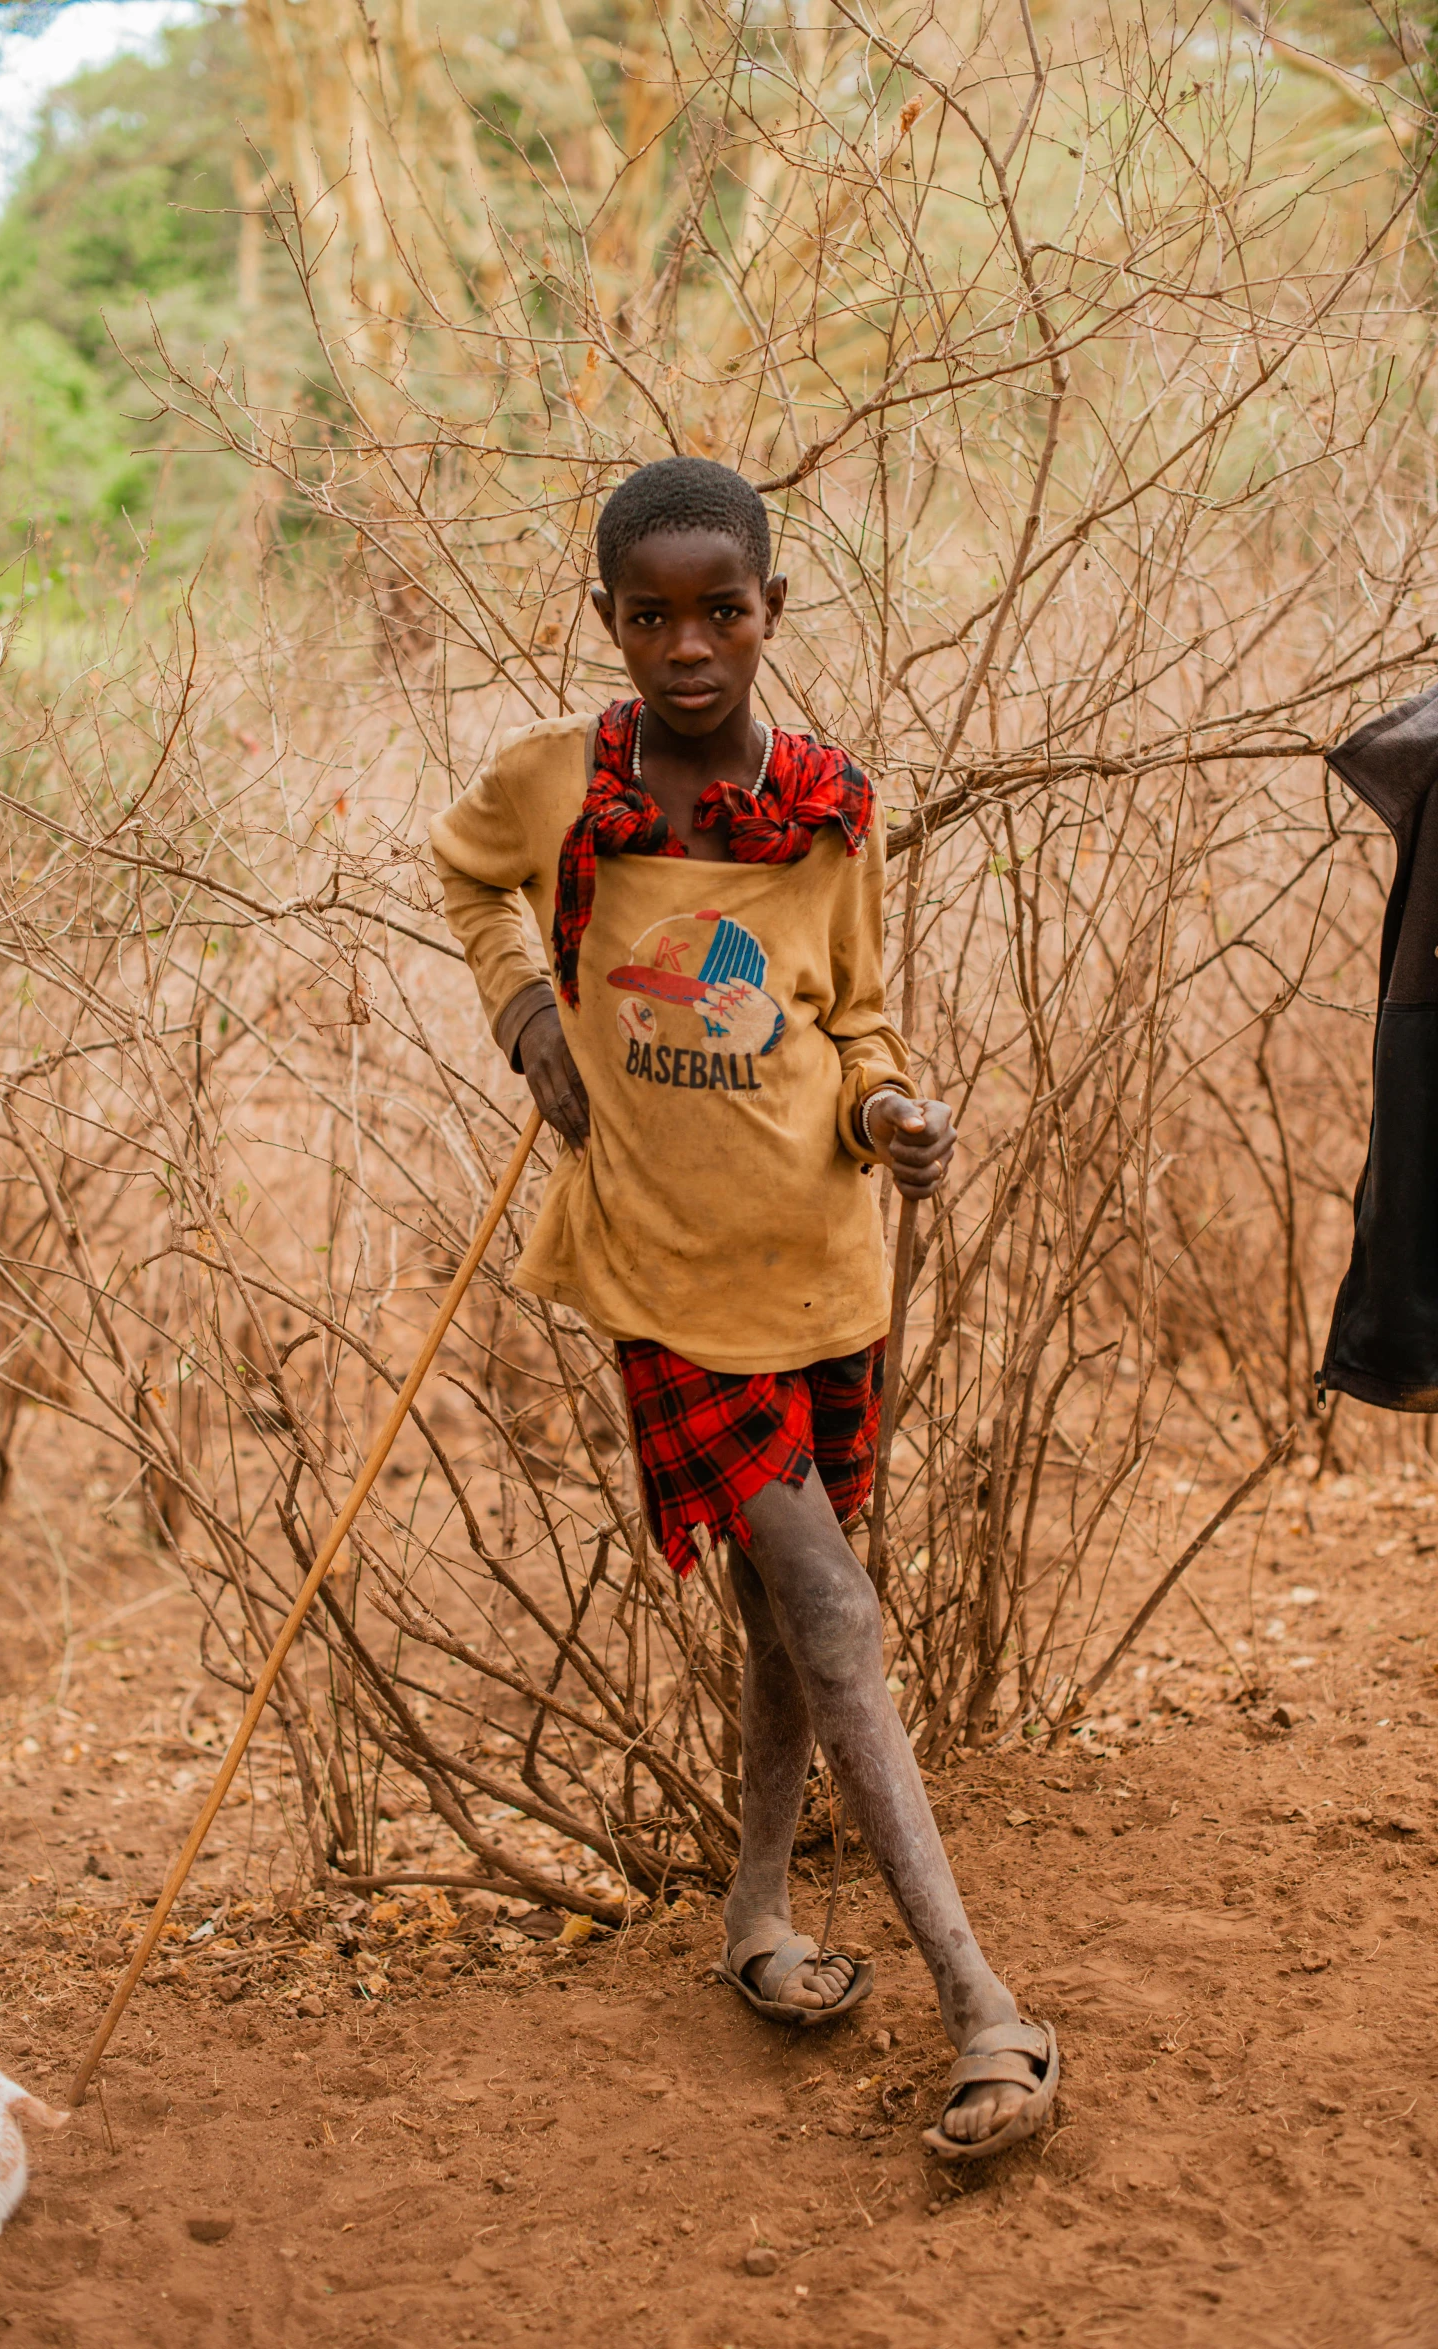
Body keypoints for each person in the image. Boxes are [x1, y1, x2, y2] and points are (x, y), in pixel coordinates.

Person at [430, 455, 1057, 2160]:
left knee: (790, 1619)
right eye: (653, 615)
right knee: (837, 1613)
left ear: (772, 611)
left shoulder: (833, 808)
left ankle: (757, 1922)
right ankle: (986, 2010)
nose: (687, 644)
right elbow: (465, 877)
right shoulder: (560, 786)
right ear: (611, 620)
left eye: (722, 610)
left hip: (824, 1269)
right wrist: (526, 1022)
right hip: (660, 1272)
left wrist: (891, 1118)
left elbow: (853, 1020)